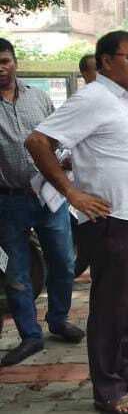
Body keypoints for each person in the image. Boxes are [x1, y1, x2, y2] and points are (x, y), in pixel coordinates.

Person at [26, 30, 128, 414]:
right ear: (106, 61)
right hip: (111, 220)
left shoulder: (124, 99)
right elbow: (39, 142)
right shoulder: (92, 98)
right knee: (110, 307)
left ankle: (126, 370)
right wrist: (71, 192)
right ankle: (107, 391)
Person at [0, 38, 83, 367]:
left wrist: (62, 161)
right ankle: (30, 336)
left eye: (5, 60)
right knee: (17, 271)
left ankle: (59, 319)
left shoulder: (39, 97)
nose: (1, 67)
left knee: (63, 261)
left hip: (49, 196)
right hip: (8, 201)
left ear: (15, 61)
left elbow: (57, 139)